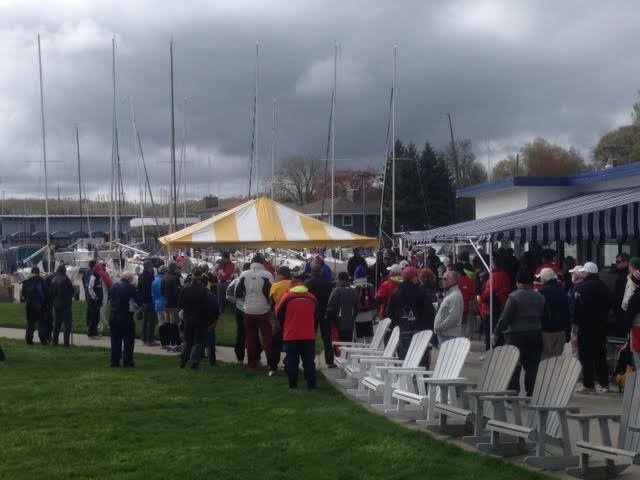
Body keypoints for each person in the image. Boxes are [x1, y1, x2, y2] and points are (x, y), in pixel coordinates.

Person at [492, 270, 546, 397]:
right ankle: (531, 393)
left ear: (517, 282)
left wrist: (496, 333)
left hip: (515, 335)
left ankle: (512, 394)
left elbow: (505, 318)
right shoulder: (540, 297)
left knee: (513, 365)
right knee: (532, 365)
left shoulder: (514, 297)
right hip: (535, 334)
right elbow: (546, 316)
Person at [572, 262, 611, 393]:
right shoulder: (604, 287)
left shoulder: (581, 287)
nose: (581, 273)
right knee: (600, 355)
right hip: (601, 326)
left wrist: (575, 322)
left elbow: (576, 307)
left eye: (583, 271)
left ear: (587, 273)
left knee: (586, 355)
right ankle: (604, 383)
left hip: (585, 326)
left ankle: (589, 385)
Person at [386, 267, 435, 360]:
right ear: (413, 278)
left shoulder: (396, 293)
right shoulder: (421, 292)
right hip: (420, 332)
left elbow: (390, 313)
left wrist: (399, 322)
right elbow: (430, 312)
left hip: (403, 331)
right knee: (420, 361)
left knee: (404, 361)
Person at [276, 283, 318, 389]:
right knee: (309, 361)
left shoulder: (287, 297)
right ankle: (311, 385)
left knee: (292, 360)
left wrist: (283, 327)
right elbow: (317, 315)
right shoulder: (312, 298)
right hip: (308, 335)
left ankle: (293, 385)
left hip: (291, 334)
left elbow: (278, 314)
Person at [235, 256, 274, 369]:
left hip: (248, 310)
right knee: (267, 338)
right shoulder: (268, 275)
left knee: (251, 338)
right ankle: (271, 364)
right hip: (263, 310)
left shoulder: (243, 274)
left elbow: (238, 294)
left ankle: (252, 363)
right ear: (262, 263)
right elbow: (271, 294)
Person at [478, 254, 512, 350]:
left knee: (491, 331)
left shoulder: (496, 276)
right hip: (500, 306)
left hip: (492, 309)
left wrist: (481, 298)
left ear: (495, 264)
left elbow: (489, 292)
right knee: (497, 331)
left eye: (491, 263)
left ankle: (491, 351)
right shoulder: (504, 275)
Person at [178, 268, 210, 369]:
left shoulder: (185, 289)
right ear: (201, 278)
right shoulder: (204, 291)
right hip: (200, 319)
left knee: (188, 340)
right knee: (198, 341)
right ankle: (195, 362)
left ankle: (183, 360)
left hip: (188, 317)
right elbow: (206, 306)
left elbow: (180, 304)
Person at [306, 263, 335, 367]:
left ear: (312, 272)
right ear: (321, 272)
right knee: (327, 337)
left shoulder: (307, 283)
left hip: (312, 311)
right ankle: (330, 361)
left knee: (310, 336)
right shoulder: (328, 283)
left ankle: (310, 359)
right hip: (324, 311)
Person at [109, 272, 141, 368]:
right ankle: (127, 361)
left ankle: (115, 361)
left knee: (115, 339)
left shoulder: (114, 286)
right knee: (128, 339)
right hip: (125, 316)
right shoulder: (130, 288)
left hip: (113, 315)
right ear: (130, 279)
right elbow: (138, 300)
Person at [537, 267, 570, 359]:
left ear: (543, 278)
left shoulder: (541, 292)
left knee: (545, 359)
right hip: (560, 329)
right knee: (557, 359)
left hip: (546, 330)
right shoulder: (562, 291)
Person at [268, 266, 293, 375]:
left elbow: (272, 302)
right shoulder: (294, 284)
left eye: (277, 274)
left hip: (278, 316)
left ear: (281, 275)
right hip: (292, 316)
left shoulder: (275, 286)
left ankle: (273, 366)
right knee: (290, 342)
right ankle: (288, 364)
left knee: (276, 342)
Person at [226, 262, 251, 362]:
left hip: (240, 310)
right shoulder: (255, 280)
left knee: (241, 333)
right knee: (252, 334)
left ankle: (240, 358)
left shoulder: (237, 280)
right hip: (251, 310)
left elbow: (228, 295)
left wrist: (237, 302)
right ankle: (254, 358)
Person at [326, 272, 359, 343]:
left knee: (338, 343)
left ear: (339, 279)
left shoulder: (336, 291)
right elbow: (357, 308)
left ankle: (340, 354)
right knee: (348, 342)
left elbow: (331, 307)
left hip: (338, 322)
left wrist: (329, 319)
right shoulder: (354, 291)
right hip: (350, 322)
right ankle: (347, 354)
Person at [434, 270, 464, 344]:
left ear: (452, 280)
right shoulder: (450, 294)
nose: (442, 281)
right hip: (446, 334)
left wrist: (439, 327)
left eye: (445, 279)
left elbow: (453, 318)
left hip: (449, 335)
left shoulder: (455, 296)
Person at [20, 266, 48, 345]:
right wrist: (44, 302)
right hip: (38, 305)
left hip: (29, 305)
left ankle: (28, 340)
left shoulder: (26, 281)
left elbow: (23, 293)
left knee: (30, 323)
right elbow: (44, 293)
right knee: (40, 323)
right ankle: (43, 340)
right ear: (38, 272)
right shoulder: (40, 280)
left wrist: (28, 299)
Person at [50, 265, 75, 347]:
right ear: (64, 271)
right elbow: (71, 291)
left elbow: (52, 293)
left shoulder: (53, 280)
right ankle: (66, 343)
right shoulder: (66, 280)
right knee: (67, 324)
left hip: (56, 304)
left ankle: (54, 341)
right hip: (66, 304)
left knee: (57, 324)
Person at [162, 261, 183, 352]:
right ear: (174, 269)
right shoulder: (175, 278)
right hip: (173, 304)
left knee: (168, 324)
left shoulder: (165, 277)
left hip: (166, 303)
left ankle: (169, 344)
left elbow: (162, 291)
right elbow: (177, 292)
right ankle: (175, 345)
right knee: (174, 325)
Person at [353, 265, 377, 340]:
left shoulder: (353, 287)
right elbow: (374, 300)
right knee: (369, 338)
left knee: (359, 339)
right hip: (369, 316)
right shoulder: (371, 286)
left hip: (357, 318)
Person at [453, 263, 476, 339]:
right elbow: (473, 295)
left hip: (458, 306)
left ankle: (461, 339)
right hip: (468, 305)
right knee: (467, 324)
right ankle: (466, 339)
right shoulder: (469, 280)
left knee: (461, 324)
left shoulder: (455, 281)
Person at [137, 260, 157, 346]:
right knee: (152, 321)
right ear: (149, 267)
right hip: (150, 300)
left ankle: (144, 337)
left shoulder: (141, 276)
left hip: (144, 301)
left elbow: (139, 289)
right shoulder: (150, 277)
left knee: (145, 320)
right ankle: (149, 340)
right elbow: (152, 289)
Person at [624, 270, 640, 369]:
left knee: (637, 356)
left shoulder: (636, 296)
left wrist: (626, 327)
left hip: (637, 328)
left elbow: (629, 314)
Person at [152, 266, 169, 350]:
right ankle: (168, 342)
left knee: (161, 324)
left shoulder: (154, 280)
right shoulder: (164, 280)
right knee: (167, 324)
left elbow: (153, 294)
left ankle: (163, 343)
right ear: (165, 272)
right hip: (164, 304)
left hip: (157, 304)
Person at [204, 283, 220, 366]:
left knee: (195, 342)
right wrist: (215, 320)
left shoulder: (192, 291)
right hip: (209, 321)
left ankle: (194, 361)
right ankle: (211, 362)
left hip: (195, 320)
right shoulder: (211, 295)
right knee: (210, 343)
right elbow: (216, 309)